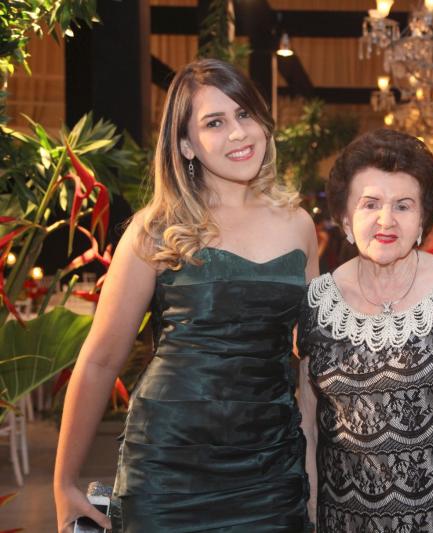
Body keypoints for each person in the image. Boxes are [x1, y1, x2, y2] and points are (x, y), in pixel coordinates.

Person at [53, 59, 318, 532]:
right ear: (185, 145)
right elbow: (99, 361)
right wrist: (63, 483)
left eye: (244, 114)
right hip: (167, 467)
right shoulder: (156, 229)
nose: (237, 132)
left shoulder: (298, 225)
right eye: (214, 122)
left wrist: (313, 468)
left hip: (270, 467)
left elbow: (313, 361)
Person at [297, 129, 433, 532]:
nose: (386, 220)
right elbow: (307, 429)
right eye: (370, 204)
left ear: (422, 221)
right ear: (345, 219)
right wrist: (311, 519)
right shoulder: (316, 304)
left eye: (403, 205)